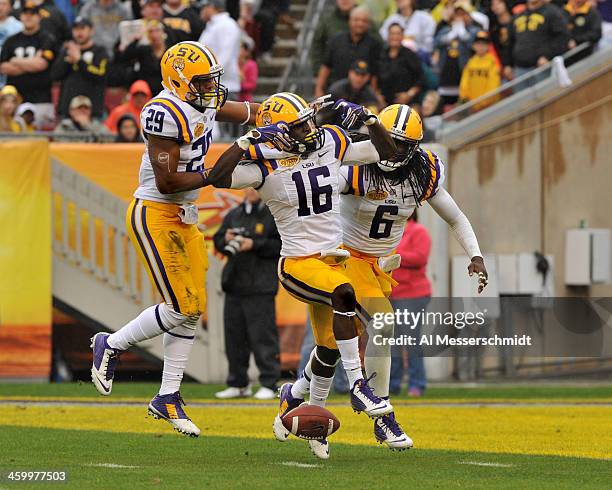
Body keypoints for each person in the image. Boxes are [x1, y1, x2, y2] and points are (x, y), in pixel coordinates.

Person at [210, 92, 397, 459]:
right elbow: (217, 176)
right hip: (298, 264)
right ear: (278, 131)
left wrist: (371, 122)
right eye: (297, 126)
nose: (308, 129)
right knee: (344, 293)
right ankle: (359, 384)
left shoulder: (328, 140)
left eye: (307, 121)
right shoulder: (265, 163)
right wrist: (245, 141)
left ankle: (303, 408)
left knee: (328, 347)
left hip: (332, 261)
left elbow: (385, 152)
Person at [90, 41, 261, 438]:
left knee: (192, 306)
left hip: (185, 214)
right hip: (155, 211)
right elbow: (167, 182)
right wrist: (216, 173)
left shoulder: (201, 100)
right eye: (202, 82)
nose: (211, 90)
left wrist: (294, 114)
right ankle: (111, 344)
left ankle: (167, 396)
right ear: (179, 81)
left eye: (211, 81)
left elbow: (252, 112)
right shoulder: (163, 112)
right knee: (181, 304)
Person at [298, 103, 488, 456]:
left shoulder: (422, 173)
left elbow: (456, 218)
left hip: (374, 267)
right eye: (390, 140)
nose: (393, 150)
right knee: (334, 344)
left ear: (415, 147)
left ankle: (346, 408)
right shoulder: (356, 167)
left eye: (402, 144)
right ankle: (335, 414)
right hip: (340, 258)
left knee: (363, 335)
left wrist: (475, 255)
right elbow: (313, 193)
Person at [213, 188, 282, 400]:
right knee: (234, 339)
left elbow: (281, 245)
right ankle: (238, 383)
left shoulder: (274, 214)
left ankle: (269, 383)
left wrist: (254, 244)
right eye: (248, 186)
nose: (251, 190)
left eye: (255, 185)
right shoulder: (234, 214)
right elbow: (218, 240)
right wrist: (226, 239)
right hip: (234, 284)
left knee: (263, 338)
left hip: (261, 286)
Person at [389, 211, 431, 397]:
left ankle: (417, 383)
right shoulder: (391, 231)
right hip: (392, 294)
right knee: (393, 342)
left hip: (414, 294)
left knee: (410, 340)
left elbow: (420, 258)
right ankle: (393, 385)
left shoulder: (418, 231)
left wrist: (395, 254)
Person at [0, 2, 55, 128]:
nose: (29, 17)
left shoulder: (47, 38)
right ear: (21, 16)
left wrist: (15, 61)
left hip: (41, 99)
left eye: (33, 14)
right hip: (14, 101)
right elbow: (3, 67)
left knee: (38, 140)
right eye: (25, 13)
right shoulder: (11, 41)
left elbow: (41, 65)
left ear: (39, 17)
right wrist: (31, 63)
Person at [315, 6, 382, 98]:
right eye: (356, 20)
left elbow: (375, 74)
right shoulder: (336, 40)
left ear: (369, 24)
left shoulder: (375, 44)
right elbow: (326, 66)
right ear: (349, 21)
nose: (360, 23)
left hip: (362, 97)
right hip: (336, 93)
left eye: (364, 21)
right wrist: (318, 89)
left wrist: (373, 97)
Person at [51, 16, 108, 120]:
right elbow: (55, 75)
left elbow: (101, 75)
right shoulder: (66, 51)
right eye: (76, 29)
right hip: (67, 111)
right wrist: (68, 60)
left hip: (92, 112)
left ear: (91, 31)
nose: (79, 32)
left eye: (82, 28)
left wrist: (79, 60)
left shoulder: (100, 51)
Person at [505, 0, 570, 82]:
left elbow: (562, 37)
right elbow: (510, 42)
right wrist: (507, 64)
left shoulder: (552, 11)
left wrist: (548, 56)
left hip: (542, 67)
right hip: (519, 69)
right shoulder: (518, 15)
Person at [433, 0, 480, 105]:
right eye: (457, 14)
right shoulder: (446, 29)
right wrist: (450, 35)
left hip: (464, 75)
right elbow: (435, 43)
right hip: (446, 75)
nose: (459, 17)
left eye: (463, 14)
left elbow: (475, 46)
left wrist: (463, 34)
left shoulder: (474, 30)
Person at [199, 0, 241, 101]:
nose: (201, 11)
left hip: (224, 85)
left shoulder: (227, 24)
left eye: (203, 7)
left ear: (211, 7)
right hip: (211, 85)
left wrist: (209, 77)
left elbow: (225, 54)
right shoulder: (213, 25)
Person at [114, 19, 167, 94]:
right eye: (151, 31)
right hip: (145, 91)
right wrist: (137, 39)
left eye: (157, 30)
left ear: (163, 32)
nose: (154, 35)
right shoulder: (144, 50)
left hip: (165, 91)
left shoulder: (170, 51)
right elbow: (124, 57)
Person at [378, 22, 424, 106]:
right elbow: (374, 76)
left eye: (398, 34)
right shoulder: (380, 54)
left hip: (407, 102)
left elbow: (420, 79)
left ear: (402, 36)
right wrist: (377, 96)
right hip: (384, 102)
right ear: (388, 36)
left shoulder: (410, 55)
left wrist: (409, 94)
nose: (395, 37)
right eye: (392, 34)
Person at [310, 0, 357, 74]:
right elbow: (317, 47)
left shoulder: (365, 21)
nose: (344, 0)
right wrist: (318, 71)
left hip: (361, 76)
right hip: (332, 78)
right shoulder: (327, 21)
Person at [458, 30, 501, 110]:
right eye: (478, 44)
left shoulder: (492, 62)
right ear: (473, 46)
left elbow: (494, 84)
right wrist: (464, 97)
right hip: (472, 105)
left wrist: (484, 102)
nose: (481, 47)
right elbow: (464, 82)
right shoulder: (470, 62)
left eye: (483, 44)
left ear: (488, 46)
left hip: (488, 106)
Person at [0, 0, 23, 87]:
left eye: (4, 4)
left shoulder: (19, 27)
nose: (0, 7)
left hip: (12, 80)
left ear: (11, 7)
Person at [489, 0, 514, 77]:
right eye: (493, 4)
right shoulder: (493, 27)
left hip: (520, 63)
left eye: (499, 3)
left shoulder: (516, 21)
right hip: (502, 68)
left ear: (505, 3)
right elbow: (494, 49)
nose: (496, 6)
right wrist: (501, 66)